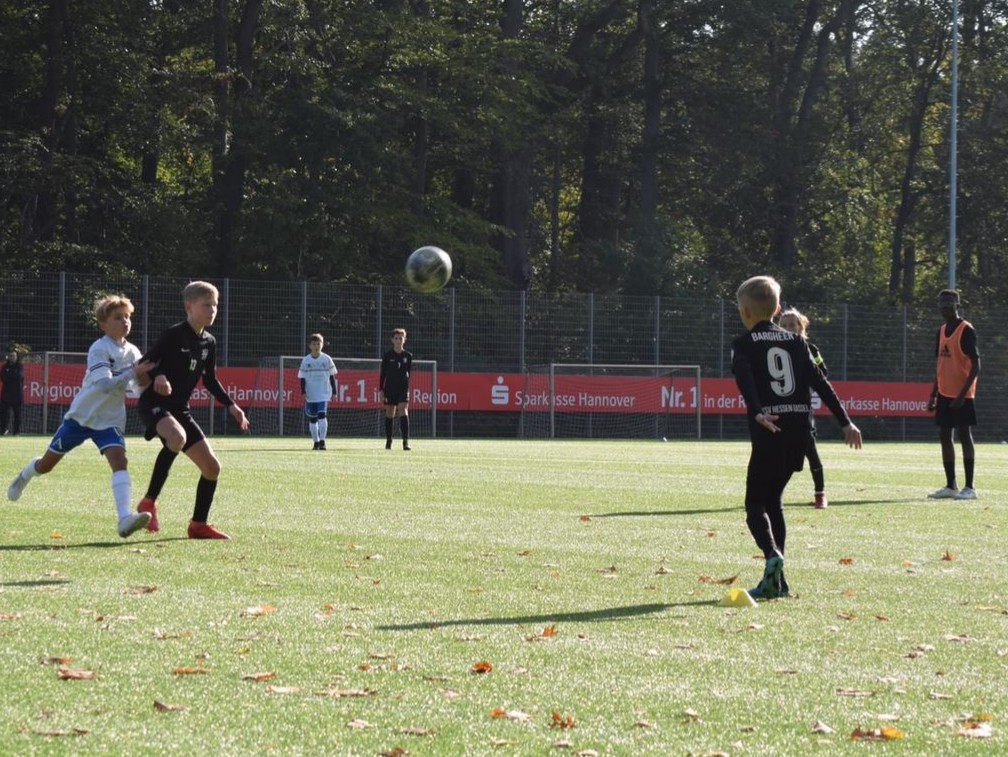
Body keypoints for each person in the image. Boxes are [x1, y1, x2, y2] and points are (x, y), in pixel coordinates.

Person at [732, 276, 862, 599]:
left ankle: (772, 555)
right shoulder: (797, 342)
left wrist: (757, 411)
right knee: (774, 499)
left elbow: (745, 380)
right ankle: (779, 581)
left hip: (769, 428)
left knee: (755, 505)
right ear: (778, 309)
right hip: (799, 432)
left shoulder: (744, 344)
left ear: (745, 311)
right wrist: (845, 422)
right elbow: (821, 384)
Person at [7, 295, 155, 537]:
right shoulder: (99, 348)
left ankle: (124, 518)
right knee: (46, 466)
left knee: (120, 460)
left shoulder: (133, 352)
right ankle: (25, 474)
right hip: (81, 418)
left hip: (109, 420)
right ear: (103, 324)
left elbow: (137, 387)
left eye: (128, 317)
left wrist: (152, 383)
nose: (125, 321)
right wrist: (133, 372)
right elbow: (104, 385)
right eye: (118, 317)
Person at [135, 280, 249, 540]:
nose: (212, 310)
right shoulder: (174, 334)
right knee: (177, 437)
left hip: (179, 409)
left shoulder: (209, 342)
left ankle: (198, 525)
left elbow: (210, 380)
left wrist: (231, 405)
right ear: (189, 306)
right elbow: (147, 361)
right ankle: (148, 502)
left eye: (215, 305)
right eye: (206, 305)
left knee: (212, 468)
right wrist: (159, 375)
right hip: (155, 403)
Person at [926, 289, 980, 500]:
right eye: (942, 303)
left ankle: (970, 487)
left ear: (957, 305)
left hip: (962, 395)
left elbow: (976, 366)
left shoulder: (966, 329)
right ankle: (951, 486)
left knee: (964, 435)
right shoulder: (941, 331)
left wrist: (962, 395)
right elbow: (940, 366)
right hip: (944, 393)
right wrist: (933, 394)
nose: (945, 306)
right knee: (944, 436)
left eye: (949, 302)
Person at [777, 308, 829, 509]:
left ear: (801, 327)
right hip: (780, 409)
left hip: (802, 409)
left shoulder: (811, 349)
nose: (787, 328)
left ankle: (820, 495)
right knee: (780, 454)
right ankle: (775, 495)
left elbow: (823, 373)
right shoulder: (774, 349)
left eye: (792, 324)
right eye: (783, 325)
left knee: (810, 451)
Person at [298, 333, 338, 450]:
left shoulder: (327, 359)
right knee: (313, 419)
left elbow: (332, 376)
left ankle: (322, 441)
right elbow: (302, 378)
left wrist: (334, 392)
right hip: (311, 394)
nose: (316, 346)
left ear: (322, 345)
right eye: (314, 344)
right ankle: (316, 442)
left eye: (318, 344)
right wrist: (303, 392)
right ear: (310, 346)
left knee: (322, 415)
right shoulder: (306, 360)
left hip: (323, 393)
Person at [378, 328, 412, 450]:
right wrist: (381, 390)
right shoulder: (387, 356)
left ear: (404, 340)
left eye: (401, 338)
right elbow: (383, 374)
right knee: (390, 412)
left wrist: (407, 389)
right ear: (392, 340)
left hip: (402, 388)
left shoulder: (408, 356)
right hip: (390, 388)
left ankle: (405, 442)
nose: (398, 340)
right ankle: (389, 440)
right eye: (396, 338)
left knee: (403, 410)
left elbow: (408, 374)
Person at [0, 350, 25, 436]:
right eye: (11, 356)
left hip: (17, 394)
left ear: (17, 357)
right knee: (4, 413)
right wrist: (12, 375)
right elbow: (3, 378)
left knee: (17, 414)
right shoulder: (4, 366)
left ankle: (16, 432)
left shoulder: (20, 366)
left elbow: (19, 376)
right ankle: (3, 430)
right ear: (8, 357)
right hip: (6, 394)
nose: (12, 357)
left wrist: (9, 375)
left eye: (14, 356)